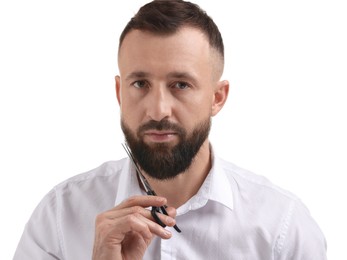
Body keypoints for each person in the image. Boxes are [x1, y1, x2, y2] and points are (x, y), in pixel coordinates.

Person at [14, 0, 327, 259]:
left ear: (217, 98)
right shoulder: (59, 216)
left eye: (180, 84)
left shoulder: (284, 229)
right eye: (140, 84)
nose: (158, 109)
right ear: (120, 93)